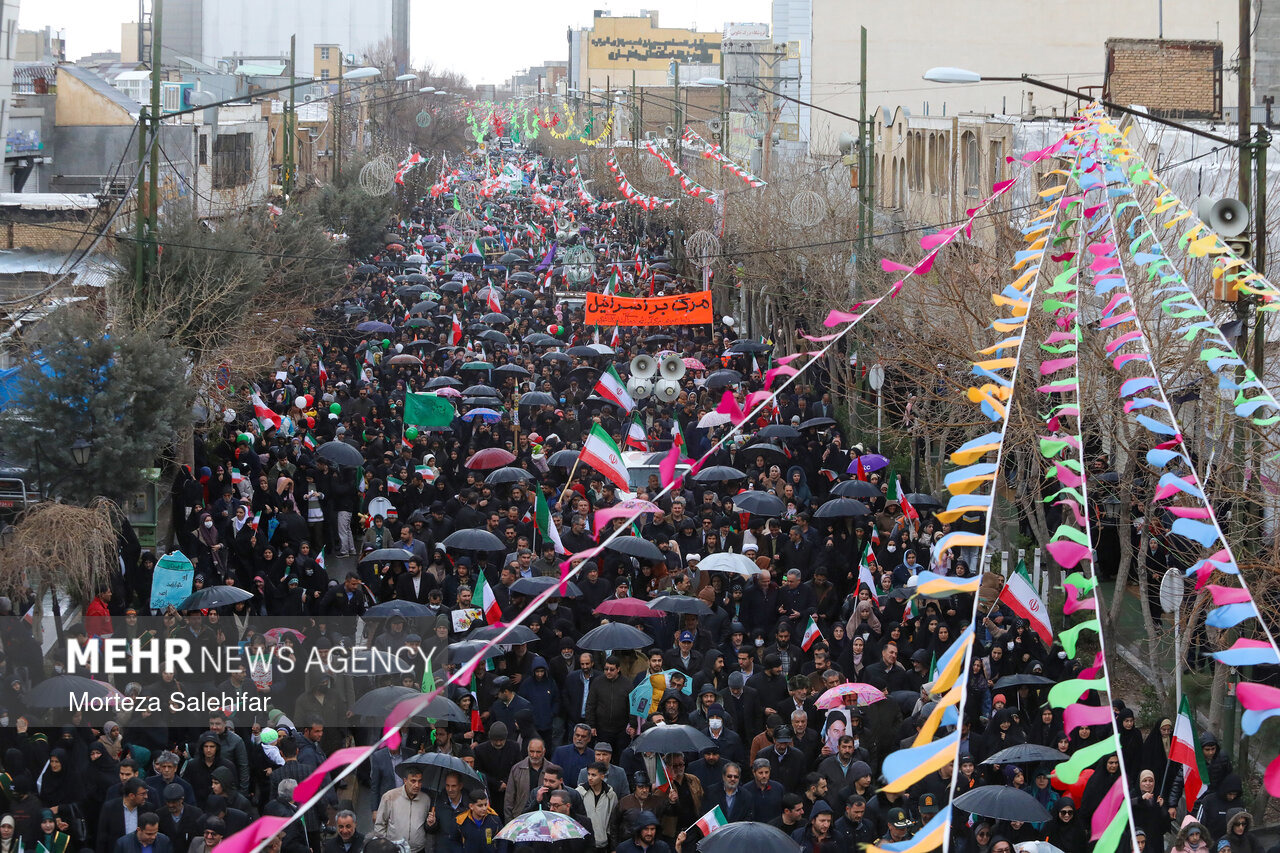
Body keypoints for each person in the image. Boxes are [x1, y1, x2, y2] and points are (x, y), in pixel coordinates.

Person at [373, 766, 431, 853]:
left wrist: (431, 824)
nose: (417, 785)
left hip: (418, 850)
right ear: (405, 780)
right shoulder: (390, 797)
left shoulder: (426, 799)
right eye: (413, 781)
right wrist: (384, 846)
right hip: (395, 849)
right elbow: (380, 824)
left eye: (419, 781)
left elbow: (426, 826)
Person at [576, 762, 618, 852]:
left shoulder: (611, 795)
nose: (590, 778)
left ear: (602, 776)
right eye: (589, 774)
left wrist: (613, 847)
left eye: (593, 775)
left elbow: (613, 821)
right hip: (583, 842)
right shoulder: (579, 792)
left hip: (603, 843)